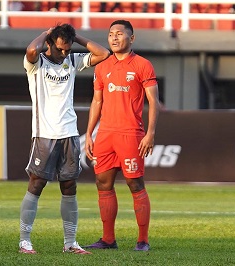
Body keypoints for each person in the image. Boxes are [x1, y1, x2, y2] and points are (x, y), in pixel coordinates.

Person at [19, 23, 110, 255]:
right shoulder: (37, 63)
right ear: (49, 43)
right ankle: (25, 241)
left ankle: (70, 243)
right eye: (60, 49)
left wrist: (75, 37)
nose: (64, 54)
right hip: (44, 134)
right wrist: (46, 33)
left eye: (67, 49)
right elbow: (31, 50)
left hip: (69, 133)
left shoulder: (72, 60)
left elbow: (103, 53)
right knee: (36, 184)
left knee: (69, 186)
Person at [82, 20, 160, 252]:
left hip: (130, 134)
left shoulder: (143, 65)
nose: (114, 38)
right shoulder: (102, 67)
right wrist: (89, 133)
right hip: (106, 135)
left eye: (119, 34)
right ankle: (108, 240)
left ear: (131, 38)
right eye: (110, 34)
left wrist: (150, 133)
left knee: (135, 183)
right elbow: (97, 101)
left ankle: (143, 240)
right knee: (102, 184)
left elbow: (154, 102)